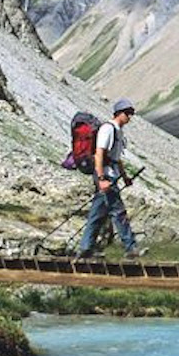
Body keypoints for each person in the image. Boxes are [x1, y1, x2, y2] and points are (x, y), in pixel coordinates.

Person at [76, 98, 144, 259]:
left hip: (110, 175)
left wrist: (125, 176)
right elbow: (99, 154)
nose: (130, 116)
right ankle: (131, 248)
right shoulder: (108, 129)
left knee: (97, 214)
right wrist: (101, 179)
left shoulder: (118, 131)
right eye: (127, 113)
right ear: (119, 113)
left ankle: (86, 248)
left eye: (131, 113)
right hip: (105, 176)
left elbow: (116, 158)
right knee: (118, 212)